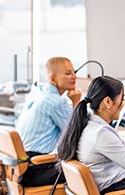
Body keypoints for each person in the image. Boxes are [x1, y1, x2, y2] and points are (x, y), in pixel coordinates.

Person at [16, 57, 81, 187]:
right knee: (85, 172)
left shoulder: (38, 93)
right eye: (68, 73)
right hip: (36, 167)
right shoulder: (56, 101)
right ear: (53, 79)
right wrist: (76, 102)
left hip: (21, 168)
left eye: (74, 72)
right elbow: (76, 133)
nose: (74, 77)